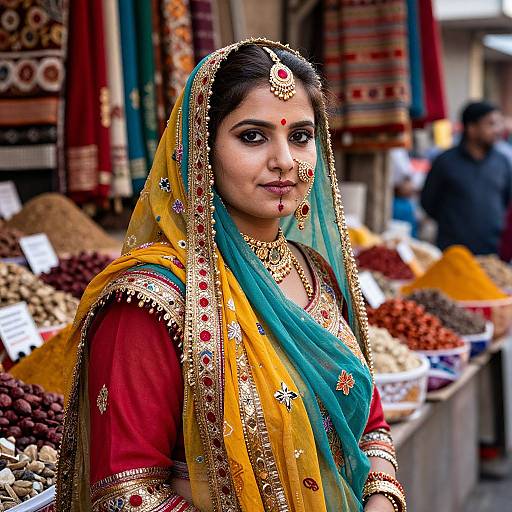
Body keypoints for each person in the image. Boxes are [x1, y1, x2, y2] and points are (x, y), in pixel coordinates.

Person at [56, 40, 405, 512]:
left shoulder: (317, 274)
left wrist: (382, 498)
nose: (285, 160)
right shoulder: (152, 300)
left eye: (300, 136)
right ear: (201, 150)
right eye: (253, 137)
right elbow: (126, 496)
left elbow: (367, 425)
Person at [421, 101, 512, 254]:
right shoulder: (445, 161)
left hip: (492, 252)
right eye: (490, 124)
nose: (497, 130)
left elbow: (506, 201)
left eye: (498, 124)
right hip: (452, 251)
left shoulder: (502, 162)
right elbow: (428, 203)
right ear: (472, 128)